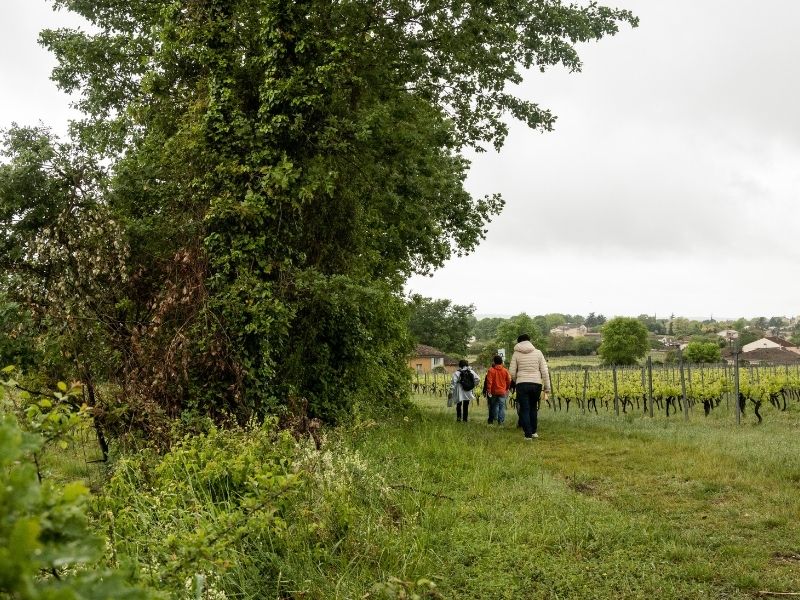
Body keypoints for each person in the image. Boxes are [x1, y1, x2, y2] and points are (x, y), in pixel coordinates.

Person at [509, 334, 551, 440]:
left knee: (524, 409)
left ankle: (527, 434)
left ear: (518, 342)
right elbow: (545, 371)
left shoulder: (516, 354)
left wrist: (516, 380)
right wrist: (547, 387)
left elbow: (512, 372)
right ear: (529, 341)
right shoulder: (538, 353)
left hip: (522, 384)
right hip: (536, 383)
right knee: (533, 407)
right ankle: (534, 432)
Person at [485, 355, 512, 425]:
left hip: (493, 392)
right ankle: (500, 422)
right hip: (502, 392)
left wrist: (489, 391)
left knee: (493, 406)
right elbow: (508, 381)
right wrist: (507, 388)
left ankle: (492, 420)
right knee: (502, 407)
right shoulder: (505, 370)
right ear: (501, 362)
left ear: (494, 362)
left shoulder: (491, 370)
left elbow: (489, 382)